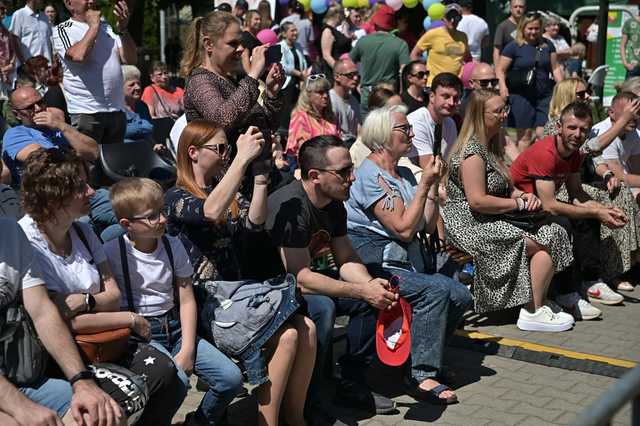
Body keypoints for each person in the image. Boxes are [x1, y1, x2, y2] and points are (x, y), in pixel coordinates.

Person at [18, 148, 186, 425]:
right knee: (142, 384)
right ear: (56, 196)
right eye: (81, 187)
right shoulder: (28, 243)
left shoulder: (82, 232)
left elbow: (113, 296)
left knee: (176, 378)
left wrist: (83, 303)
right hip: (58, 353)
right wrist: (128, 318)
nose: (92, 192)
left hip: (103, 340)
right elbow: (54, 320)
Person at [165, 121, 316, 426]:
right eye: (220, 148)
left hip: (236, 297)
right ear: (193, 152)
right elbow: (209, 211)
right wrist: (240, 159)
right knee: (286, 336)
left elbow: (253, 225)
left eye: (228, 149)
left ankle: (294, 418)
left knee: (308, 328)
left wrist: (259, 181)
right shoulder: (175, 197)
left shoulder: (227, 189)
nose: (226, 155)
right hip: (202, 302)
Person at [346, 106, 472, 401]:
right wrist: (425, 183)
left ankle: (420, 358)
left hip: (406, 260)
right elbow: (403, 229)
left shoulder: (402, 172)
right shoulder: (370, 175)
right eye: (404, 129)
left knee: (461, 295)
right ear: (383, 135)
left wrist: (431, 190)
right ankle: (421, 375)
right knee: (438, 290)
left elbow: (426, 225)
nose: (412, 134)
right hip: (377, 265)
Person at [265, 135, 397, 415]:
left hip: (303, 282)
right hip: (270, 289)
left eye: (352, 169)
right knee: (323, 308)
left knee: (371, 295)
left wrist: (371, 287)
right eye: (344, 172)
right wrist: (361, 290)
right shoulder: (291, 206)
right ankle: (311, 404)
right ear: (314, 175)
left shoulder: (334, 202)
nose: (352, 178)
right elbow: (300, 278)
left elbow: (346, 259)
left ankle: (352, 383)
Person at [444, 89, 575, 330]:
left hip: (489, 219)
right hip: (470, 225)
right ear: (480, 115)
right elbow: (478, 200)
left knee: (553, 234)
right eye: (498, 111)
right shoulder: (472, 152)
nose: (504, 115)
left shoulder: (491, 146)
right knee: (549, 238)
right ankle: (533, 310)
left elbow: (502, 189)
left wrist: (521, 195)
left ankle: (534, 307)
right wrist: (518, 203)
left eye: (505, 109)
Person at [0, 218, 124, 426]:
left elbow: (42, 311)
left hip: (17, 375)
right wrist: (20, 407)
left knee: (106, 416)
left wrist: (81, 381)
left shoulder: (10, 231)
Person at [510, 102, 628, 315]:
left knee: (588, 216)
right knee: (561, 224)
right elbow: (550, 205)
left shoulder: (573, 154)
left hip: (537, 209)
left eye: (583, 129)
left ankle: (590, 283)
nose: (577, 134)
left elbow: (577, 194)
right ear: (559, 127)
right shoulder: (545, 152)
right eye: (572, 127)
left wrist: (604, 210)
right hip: (517, 210)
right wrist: (596, 211)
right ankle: (566, 294)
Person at [181, 11, 283, 153]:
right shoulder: (199, 81)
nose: (241, 49)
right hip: (222, 173)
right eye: (233, 44)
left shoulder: (230, 80)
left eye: (240, 43)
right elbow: (222, 120)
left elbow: (267, 124)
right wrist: (253, 75)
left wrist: (272, 93)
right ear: (209, 44)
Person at [52, 0, 136, 145]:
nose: (91, 1)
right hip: (87, 113)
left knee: (115, 165)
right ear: (69, 3)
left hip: (116, 111)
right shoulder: (63, 29)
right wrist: (93, 26)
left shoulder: (107, 28)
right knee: (89, 166)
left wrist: (123, 29)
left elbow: (130, 59)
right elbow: (78, 56)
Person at [2, 85, 97, 185]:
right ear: (17, 114)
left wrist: (61, 125)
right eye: (30, 107)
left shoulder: (58, 127)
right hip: (50, 192)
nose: (38, 108)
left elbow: (93, 152)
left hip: (80, 185)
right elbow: (47, 162)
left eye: (40, 102)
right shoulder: (15, 134)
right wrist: (76, 155)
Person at [497, 12, 563, 153]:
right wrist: (502, 87)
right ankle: (521, 169)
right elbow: (500, 69)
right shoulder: (513, 46)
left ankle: (538, 163)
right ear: (523, 28)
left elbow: (555, 67)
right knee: (525, 136)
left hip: (544, 96)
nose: (533, 32)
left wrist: (563, 88)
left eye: (537, 28)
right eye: (530, 28)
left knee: (543, 133)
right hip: (522, 96)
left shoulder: (548, 45)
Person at [349, 4, 410, 118]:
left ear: (375, 23)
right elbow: (405, 71)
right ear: (392, 24)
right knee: (386, 132)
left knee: (367, 132)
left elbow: (349, 64)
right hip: (388, 95)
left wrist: (357, 83)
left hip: (367, 93)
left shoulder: (363, 41)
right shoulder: (400, 44)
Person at [407, 73, 462, 168]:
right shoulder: (416, 122)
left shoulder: (450, 122)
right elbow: (429, 168)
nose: (451, 103)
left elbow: (451, 161)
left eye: (456, 98)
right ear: (432, 96)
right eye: (446, 96)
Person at [411, 3, 469, 88]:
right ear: (443, 19)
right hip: (433, 84)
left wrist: (463, 73)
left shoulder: (463, 37)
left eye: (456, 17)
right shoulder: (432, 34)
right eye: (449, 17)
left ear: (460, 19)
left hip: (455, 85)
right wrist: (421, 74)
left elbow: (466, 58)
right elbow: (414, 54)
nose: (452, 20)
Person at [286, 74, 340, 165]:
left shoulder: (331, 116)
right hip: (311, 165)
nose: (326, 96)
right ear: (308, 95)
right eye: (320, 92)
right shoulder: (300, 116)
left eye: (327, 91)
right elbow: (304, 150)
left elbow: (339, 142)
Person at [277, 21, 308, 130]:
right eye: (292, 30)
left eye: (296, 30)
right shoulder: (280, 46)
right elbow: (282, 66)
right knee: (287, 111)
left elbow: (303, 62)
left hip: (300, 84)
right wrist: (299, 74)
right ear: (284, 33)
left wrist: (303, 75)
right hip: (287, 84)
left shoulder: (298, 46)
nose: (296, 32)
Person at [330, 58, 360, 146]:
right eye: (350, 75)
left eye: (357, 74)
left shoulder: (353, 99)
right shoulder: (329, 101)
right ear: (337, 77)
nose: (355, 78)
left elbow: (359, 128)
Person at [121, 65, 153, 143]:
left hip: (145, 151)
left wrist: (154, 144)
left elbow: (149, 135)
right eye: (132, 85)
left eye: (138, 83)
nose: (138, 87)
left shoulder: (142, 106)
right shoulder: (115, 109)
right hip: (122, 152)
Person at [319, 5, 351, 78]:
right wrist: (340, 71)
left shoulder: (334, 30)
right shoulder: (327, 31)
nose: (343, 18)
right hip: (334, 72)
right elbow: (326, 55)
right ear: (338, 15)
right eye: (342, 15)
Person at [493, 0, 526, 66]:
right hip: (508, 68)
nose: (518, 9)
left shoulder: (528, 26)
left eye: (521, 7)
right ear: (510, 9)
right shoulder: (503, 27)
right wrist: (497, 70)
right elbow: (496, 51)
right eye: (515, 7)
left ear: (525, 8)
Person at [621, 9, 640, 78]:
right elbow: (623, 45)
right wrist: (625, 63)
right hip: (633, 66)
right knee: (629, 88)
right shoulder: (629, 22)